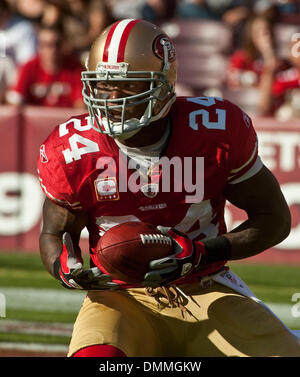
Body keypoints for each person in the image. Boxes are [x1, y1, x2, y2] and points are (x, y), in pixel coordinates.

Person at [37, 19, 300, 357]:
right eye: (102, 84)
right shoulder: (73, 149)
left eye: (128, 86)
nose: (111, 97)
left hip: (206, 287)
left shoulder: (213, 130)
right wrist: (63, 266)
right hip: (121, 295)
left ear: (163, 85)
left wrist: (203, 252)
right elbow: (53, 233)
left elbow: (274, 218)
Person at [6, 23, 84, 108]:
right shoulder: (29, 67)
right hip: (34, 121)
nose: (53, 50)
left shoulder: (75, 68)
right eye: (47, 45)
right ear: (39, 46)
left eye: (57, 44)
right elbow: (14, 102)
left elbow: (80, 105)